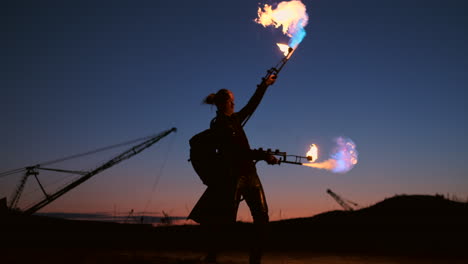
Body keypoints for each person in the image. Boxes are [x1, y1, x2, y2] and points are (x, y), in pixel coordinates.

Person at [188, 74, 279, 264]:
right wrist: (264, 156)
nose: (235, 103)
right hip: (234, 178)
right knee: (225, 223)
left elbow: (252, 106)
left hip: (251, 175)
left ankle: (254, 261)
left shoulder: (235, 119)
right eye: (233, 100)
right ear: (226, 103)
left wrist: (265, 85)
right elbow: (239, 152)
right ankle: (212, 257)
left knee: (262, 219)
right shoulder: (220, 125)